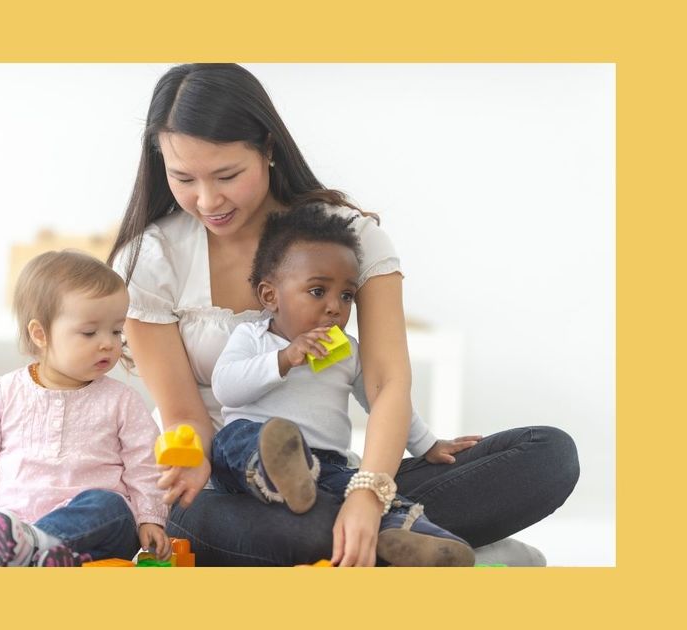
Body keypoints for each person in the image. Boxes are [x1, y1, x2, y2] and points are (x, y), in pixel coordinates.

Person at [109, 63, 579, 567]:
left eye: (227, 175)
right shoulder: (150, 259)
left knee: (548, 455)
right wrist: (196, 465)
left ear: (268, 149)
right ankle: (433, 544)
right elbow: (185, 416)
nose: (207, 200)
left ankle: (379, 534)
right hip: (219, 482)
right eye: (183, 178)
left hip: (335, 474)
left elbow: (384, 384)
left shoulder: (348, 238)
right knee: (291, 528)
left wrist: (368, 492)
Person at [209, 203, 475, 566]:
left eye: (346, 295)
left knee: (371, 489)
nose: (335, 307)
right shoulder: (253, 338)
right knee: (236, 438)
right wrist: (285, 359)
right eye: (318, 292)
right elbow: (225, 387)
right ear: (271, 296)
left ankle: (415, 538)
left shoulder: (346, 351)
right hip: (244, 460)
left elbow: (383, 400)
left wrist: (427, 443)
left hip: (325, 465)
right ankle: (278, 472)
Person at [0, 250, 170, 567]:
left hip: (95, 531)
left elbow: (146, 464)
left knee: (109, 507)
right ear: (40, 334)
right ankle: (37, 556)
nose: (108, 343)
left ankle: (36, 552)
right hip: (19, 525)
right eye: (89, 332)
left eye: (116, 331)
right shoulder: (4, 395)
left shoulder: (122, 401)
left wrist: (150, 518)